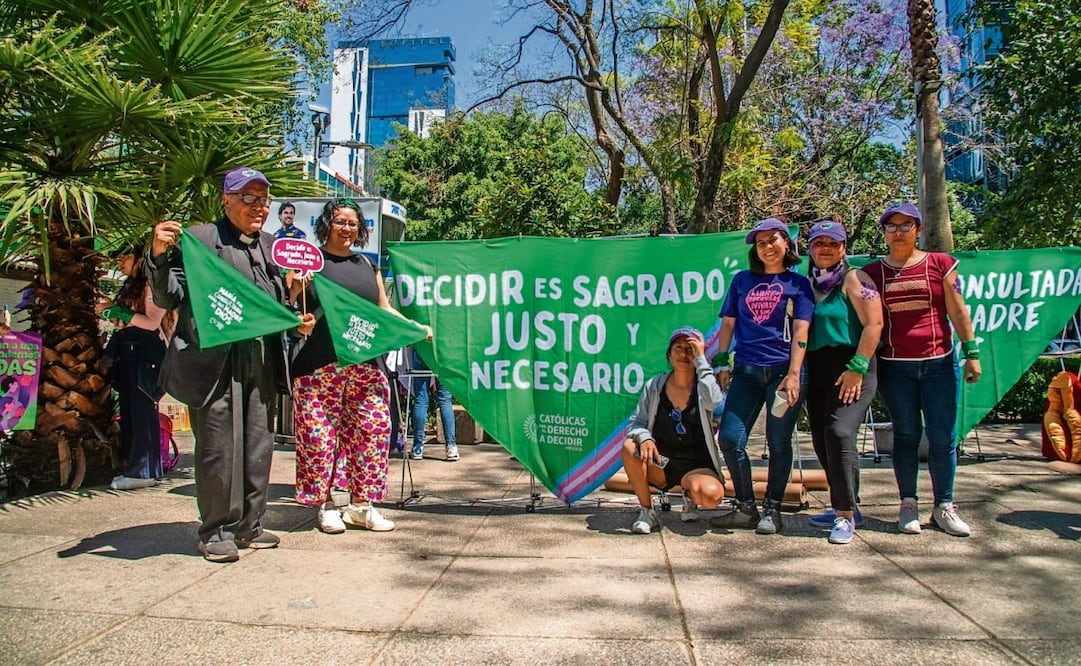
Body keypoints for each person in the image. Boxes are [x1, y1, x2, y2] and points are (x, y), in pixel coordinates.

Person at [146, 167, 315, 563]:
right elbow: (169, 297)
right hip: (214, 363)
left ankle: (249, 525)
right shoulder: (201, 240)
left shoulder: (272, 247)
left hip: (260, 360)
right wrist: (157, 255)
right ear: (226, 200)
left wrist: (294, 310)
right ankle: (215, 530)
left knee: (258, 446)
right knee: (219, 448)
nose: (259, 207)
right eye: (248, 198)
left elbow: (273, 306)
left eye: (264, 200)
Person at [289, 198, 429, 534]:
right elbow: (289, 304)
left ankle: (361, 505)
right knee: (320, 439)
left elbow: (383, 309)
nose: (347, 228)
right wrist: (297, 290)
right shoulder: (310, 261)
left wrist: (413, 327)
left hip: (366, 364)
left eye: (353, 223)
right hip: (319, 365)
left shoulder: (368, 265)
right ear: (327, 224)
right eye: (340, 221)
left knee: (373, 431)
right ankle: (325, 504)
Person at [863, 202, 981, 537]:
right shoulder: (871, 273)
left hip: (939, 364)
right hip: (895, 368)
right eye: (891, 226)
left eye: (906, 225)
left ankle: (944, 506)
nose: (898, 232)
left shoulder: (941, 264)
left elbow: (958, 311)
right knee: (906, 436)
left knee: (943, 437)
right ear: (884, 233)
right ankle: (908, 504)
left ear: (918, 229)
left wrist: (971, 352)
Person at [711, 217, 815, 535]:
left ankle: (772, 508)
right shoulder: (742, 281)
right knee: (730, 439)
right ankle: (745, 507)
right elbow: (728, 323)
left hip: (784, 373)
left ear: (786, 243)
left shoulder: (798, 285)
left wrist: (794, 373)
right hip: (746, 370)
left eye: (773, 240)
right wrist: (722, 361)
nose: (767, 247)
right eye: (761, 243)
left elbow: (801, 330)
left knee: (778, 441)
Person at [804, 220, 883, 544]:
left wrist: (858, 366)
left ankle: (845, 516)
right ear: (809, 248)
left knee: (840, 432)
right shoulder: (806, 283)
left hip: (852, 364)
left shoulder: (855, 278)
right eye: (819, 243)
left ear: (843, 248)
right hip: (816, 367)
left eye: (832, 243)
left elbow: (874, 323)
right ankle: (847, 502)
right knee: (822, 439)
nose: (825, 249)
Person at [622, 326, 727, 534]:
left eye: (690, 349)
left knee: (711, 497)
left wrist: (701, 362)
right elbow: (636, 423)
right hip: (661, 461)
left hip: (696, 464)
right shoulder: (655, 385)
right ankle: (647, 511)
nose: (684, 354)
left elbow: (715, 401)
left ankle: (690, 496)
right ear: (669, 355)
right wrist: (645, 438)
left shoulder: (705, 384)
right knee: (629, 447)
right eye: (678, 347)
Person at [101, 244, 169, 491]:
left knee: (142, 411)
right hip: (127, 351)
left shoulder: (152, 283)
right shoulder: (131, 285)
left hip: (145, 352)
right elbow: (127, 321)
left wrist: (121, 313)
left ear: (139, 259)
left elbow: (151, 322)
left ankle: (143, 470)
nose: (120, 262)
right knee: (130, 410)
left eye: (125, 257)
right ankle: (135, 466)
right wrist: (111, 313)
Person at [408, 347, 458, 461]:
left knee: (421, 400)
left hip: (421, 348)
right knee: (445, 400)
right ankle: (451, 447)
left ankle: (417, 447)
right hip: (443, 350)